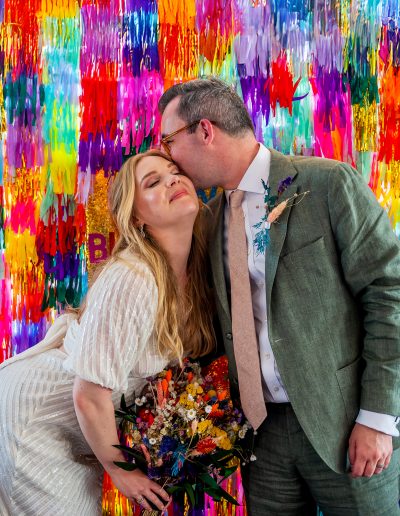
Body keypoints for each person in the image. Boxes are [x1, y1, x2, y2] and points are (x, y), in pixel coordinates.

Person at [158, 77, 400, 515]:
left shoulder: (327, 184)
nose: (167, 157)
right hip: (261, 438)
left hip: (347, 422)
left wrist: (378, 417)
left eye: (168, 141)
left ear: (205, 130)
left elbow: (389, 294)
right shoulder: (207, 221)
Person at [0, 150, 215, 515]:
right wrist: (120, 471)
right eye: (153, 182)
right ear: (136, 216)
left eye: (174, 171)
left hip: (76, 430)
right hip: (33, 418)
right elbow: (88, 394)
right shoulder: (134, 276)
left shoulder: (194, 278)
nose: (172, 180)